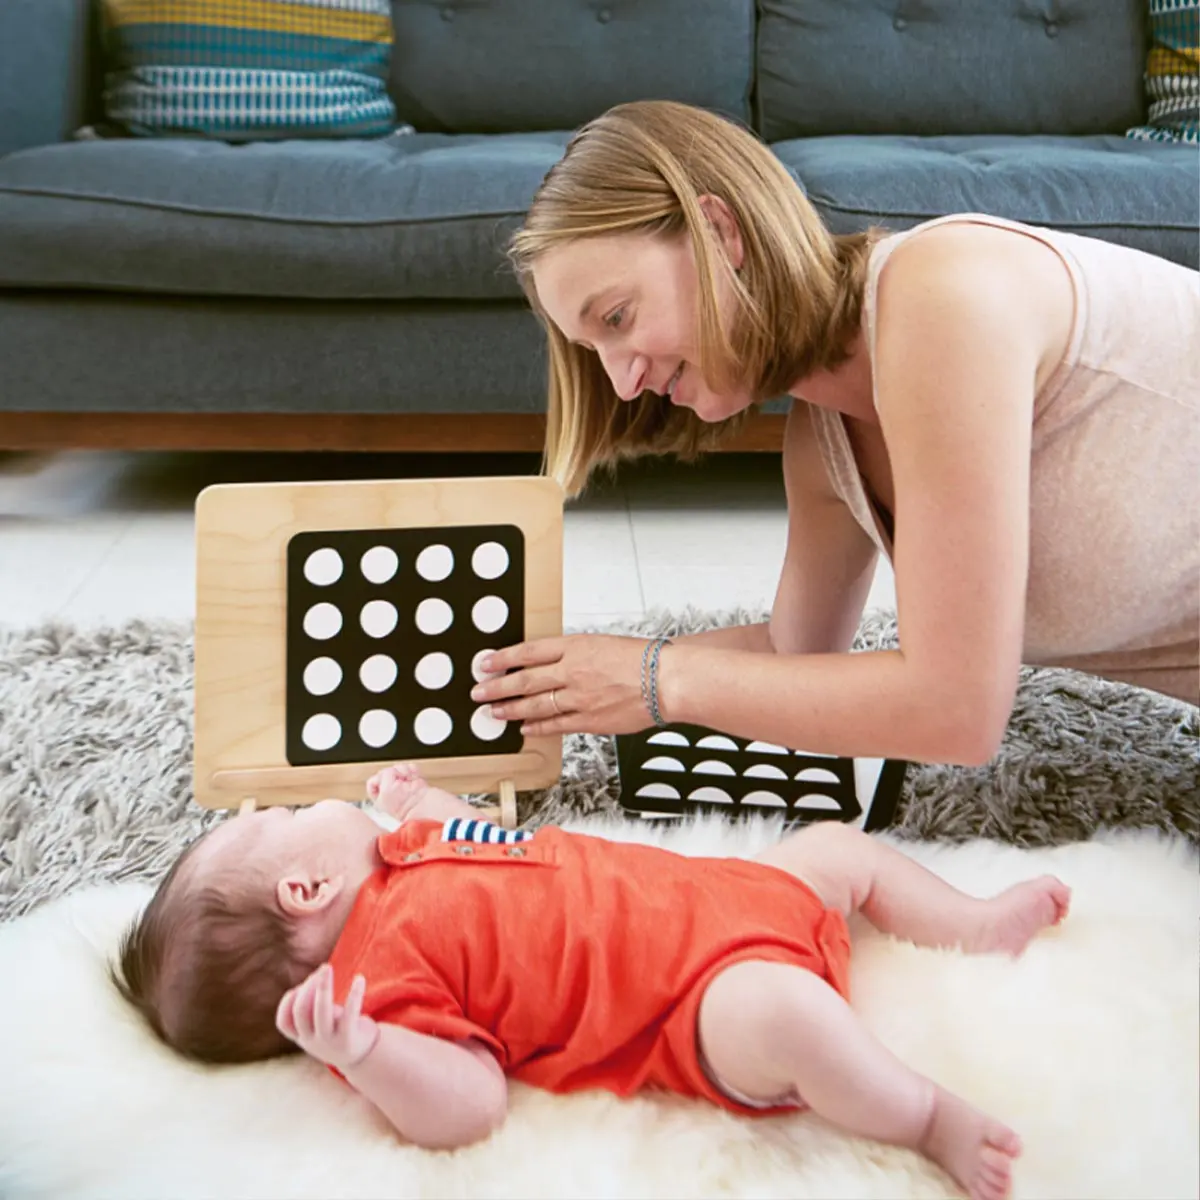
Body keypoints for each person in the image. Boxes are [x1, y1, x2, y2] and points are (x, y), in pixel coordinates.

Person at [468, 99, 1199, 761]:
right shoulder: (826, 441)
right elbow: (792, 654)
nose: (623, 381)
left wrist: (659, 680)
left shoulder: (942, 296)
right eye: (596, 354)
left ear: (720, 233)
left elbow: (955, 711)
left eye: (618, 319)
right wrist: (577, 674)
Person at [111, 764, 1070, 1200]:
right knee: (791, 1015)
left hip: (732, 896)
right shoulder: (379, 984)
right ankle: (926, 1118)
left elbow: (493, 839)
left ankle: (968, 924)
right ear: (302, 885)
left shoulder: (410, 844)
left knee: (838, 850)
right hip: (695, 1003)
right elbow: (469, 1106)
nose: (288, 806)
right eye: (269, 822)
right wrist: (364, 1052)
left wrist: (427, 802)